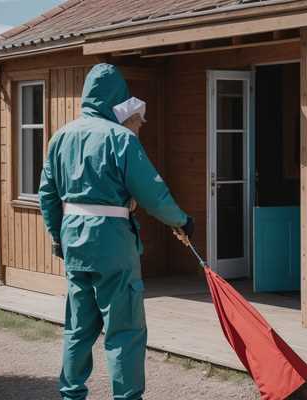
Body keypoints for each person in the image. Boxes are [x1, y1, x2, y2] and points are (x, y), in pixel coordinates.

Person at [38, 63, 194, 400]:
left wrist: (56, 237)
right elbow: (152, 191)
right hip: (112, 241)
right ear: (116, 99)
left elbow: (47, 194)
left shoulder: (60, 136)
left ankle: (71, 394)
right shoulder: (121, 138)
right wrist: (180, 221)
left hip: (74, 239)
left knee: (78, 327)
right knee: (124, 329)